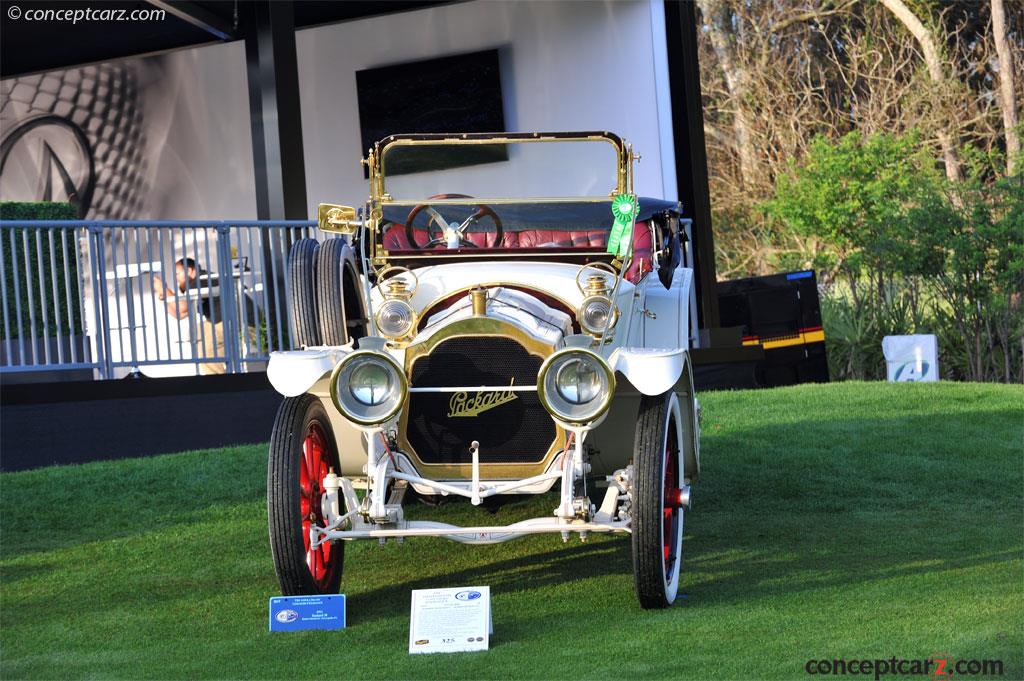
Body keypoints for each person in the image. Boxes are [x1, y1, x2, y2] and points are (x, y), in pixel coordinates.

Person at [152, 258, 226, 375]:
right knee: (198, 333)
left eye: (178, 274)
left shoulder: (200, 280)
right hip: (221, 321)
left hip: (231, 321)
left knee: (207, 356)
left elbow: (182, 307)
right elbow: (179, 314)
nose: (176, 278)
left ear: (189, 270)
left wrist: (164, 289)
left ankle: (217, 385)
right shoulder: (200, 280)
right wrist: (163, 295)